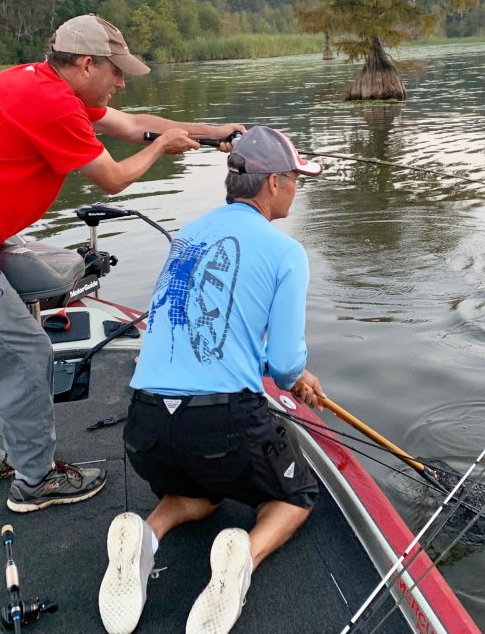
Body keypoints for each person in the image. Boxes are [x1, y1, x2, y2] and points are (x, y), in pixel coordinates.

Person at [0, 13, 245, 513]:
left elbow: (135, 127)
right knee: (26, 354)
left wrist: (210, 133)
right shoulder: (51, 104)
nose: (122, 81)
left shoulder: (42, 86)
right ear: (86, 64)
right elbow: (112, 178)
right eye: (116, 71)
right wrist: (165, 150)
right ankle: (35, 481)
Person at [98, 126, 325, 634]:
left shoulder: (187, 237)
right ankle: (243, 557)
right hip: (222, 429)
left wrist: (285, 369)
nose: (296, 187)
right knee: (295, 496)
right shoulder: (286, 252)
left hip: (148, 426)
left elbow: (209, 338)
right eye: (295, 178)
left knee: (196, 496)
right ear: (272, 184)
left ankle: (147, 535)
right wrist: (295, 374)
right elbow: (286, 363)